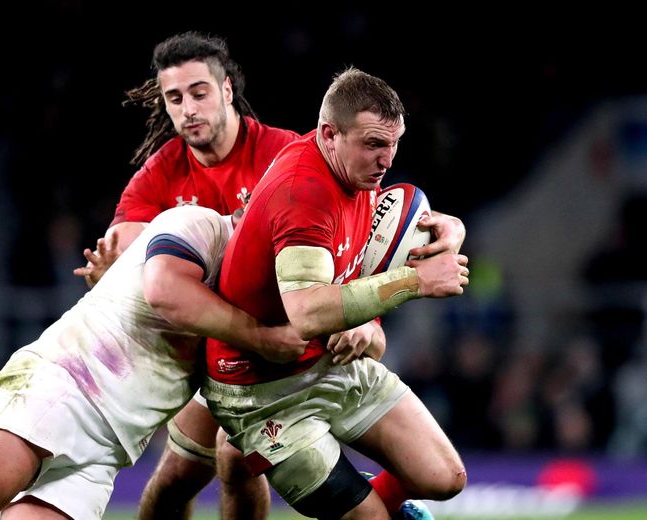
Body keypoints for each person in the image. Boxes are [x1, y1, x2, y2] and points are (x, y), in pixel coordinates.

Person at [75, 33, 467, 519]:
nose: (188, 109)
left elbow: (367, 232)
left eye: (198, 92)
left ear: (226, 90)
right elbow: (128, 256)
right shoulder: (161, 175)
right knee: (180, 475)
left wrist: (446, 228)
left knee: (236, 460)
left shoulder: (286, 150)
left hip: (299, 338)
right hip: (220, 347)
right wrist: (113, 277)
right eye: (175, 98)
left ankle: (360, 500)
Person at [0, 205, 307, 520]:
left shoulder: (261, 297)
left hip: (109, 449)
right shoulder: (197, 225)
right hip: (64, 388)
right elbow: (165, 292)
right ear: (247, 210)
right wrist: (263, 339)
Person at [203, 67, 470, 519]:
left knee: (445, 478)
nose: (386, 160)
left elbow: (388, 234)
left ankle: (352, 499)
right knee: (370, 517)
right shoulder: (304, 193)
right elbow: (307, 313)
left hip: (329, 362)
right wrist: (415, 282)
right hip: (261, 390)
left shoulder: (354, 172)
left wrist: (453, 228)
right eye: (374, 144)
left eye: (393, 144)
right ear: (330, 134)